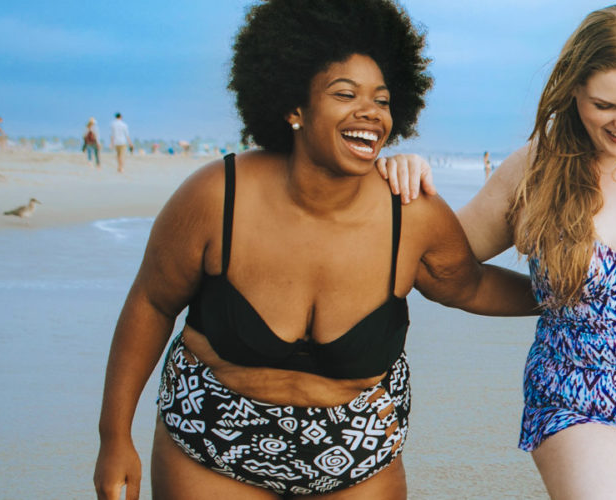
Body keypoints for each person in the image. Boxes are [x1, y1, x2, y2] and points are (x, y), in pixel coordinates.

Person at [92, 1, 536, 498]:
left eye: (383, 100)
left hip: (358, 456)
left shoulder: (411, 214)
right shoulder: (217, 196)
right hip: (210, 443)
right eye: (345, 93)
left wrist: (563, 294)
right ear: (294, 108)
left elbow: (467, 286)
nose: (370, 112)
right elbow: (152, 303)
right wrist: (115, 437)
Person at [385, 6, 616, 498]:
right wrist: (401, 181)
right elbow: (441, 262)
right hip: (582, 394)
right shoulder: (535, 169)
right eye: (605, 105)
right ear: (574, 88)